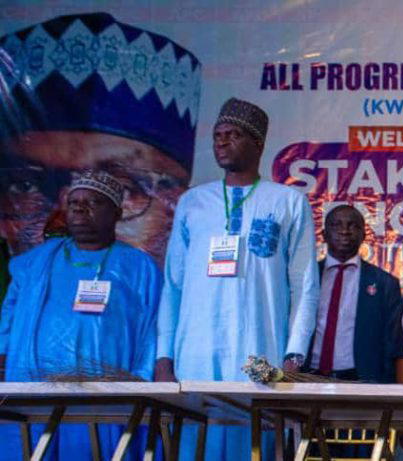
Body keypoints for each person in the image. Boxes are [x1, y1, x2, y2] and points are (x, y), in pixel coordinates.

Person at [156, 98, 320, 460]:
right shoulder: (193, 202)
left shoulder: (288, 202)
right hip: (195, 352)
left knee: (257, 444)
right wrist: (164, 356)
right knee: (195, 441)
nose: (222, 141)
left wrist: (293, 356)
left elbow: (305, 284)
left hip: (261, 349)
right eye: (218, 135)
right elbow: (173, 285)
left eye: (233, 134)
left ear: (258, 143)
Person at [0, 12, 201, 263]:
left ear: (178, 210)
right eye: (25, 186)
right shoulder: (20, 285)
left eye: (121, 189)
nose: (68, 221)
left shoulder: (187, 295)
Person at [0, 170, 161, 460]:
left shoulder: (139, 267)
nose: (79, 208)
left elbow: (153, 331)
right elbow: (7, 321)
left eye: (92, 202)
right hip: (35, 394)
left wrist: (139, 383)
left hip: (107, 399)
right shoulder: (33, 263)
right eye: (74, 202)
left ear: (116, 212)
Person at [303, 204, 403, 458]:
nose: (345, 231)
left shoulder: (385, 284)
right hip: (309, 385)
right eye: (336, 225)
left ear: (364, 234)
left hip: (362, 389)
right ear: (324, 234)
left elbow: (392, 346)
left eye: (353, 225)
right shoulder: (305, 279)